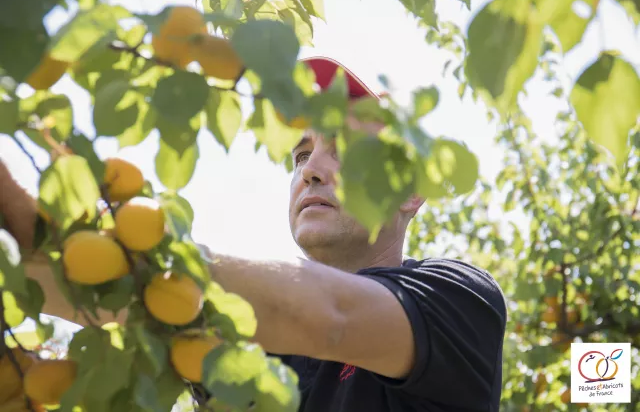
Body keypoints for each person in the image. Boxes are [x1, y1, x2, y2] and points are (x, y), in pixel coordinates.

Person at [0, 56, 507, 412]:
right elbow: (107, 289)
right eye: (302, 154)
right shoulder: (252, 349)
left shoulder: (458, 302)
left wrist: (148, 252)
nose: (311, 170)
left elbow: (333, 316)